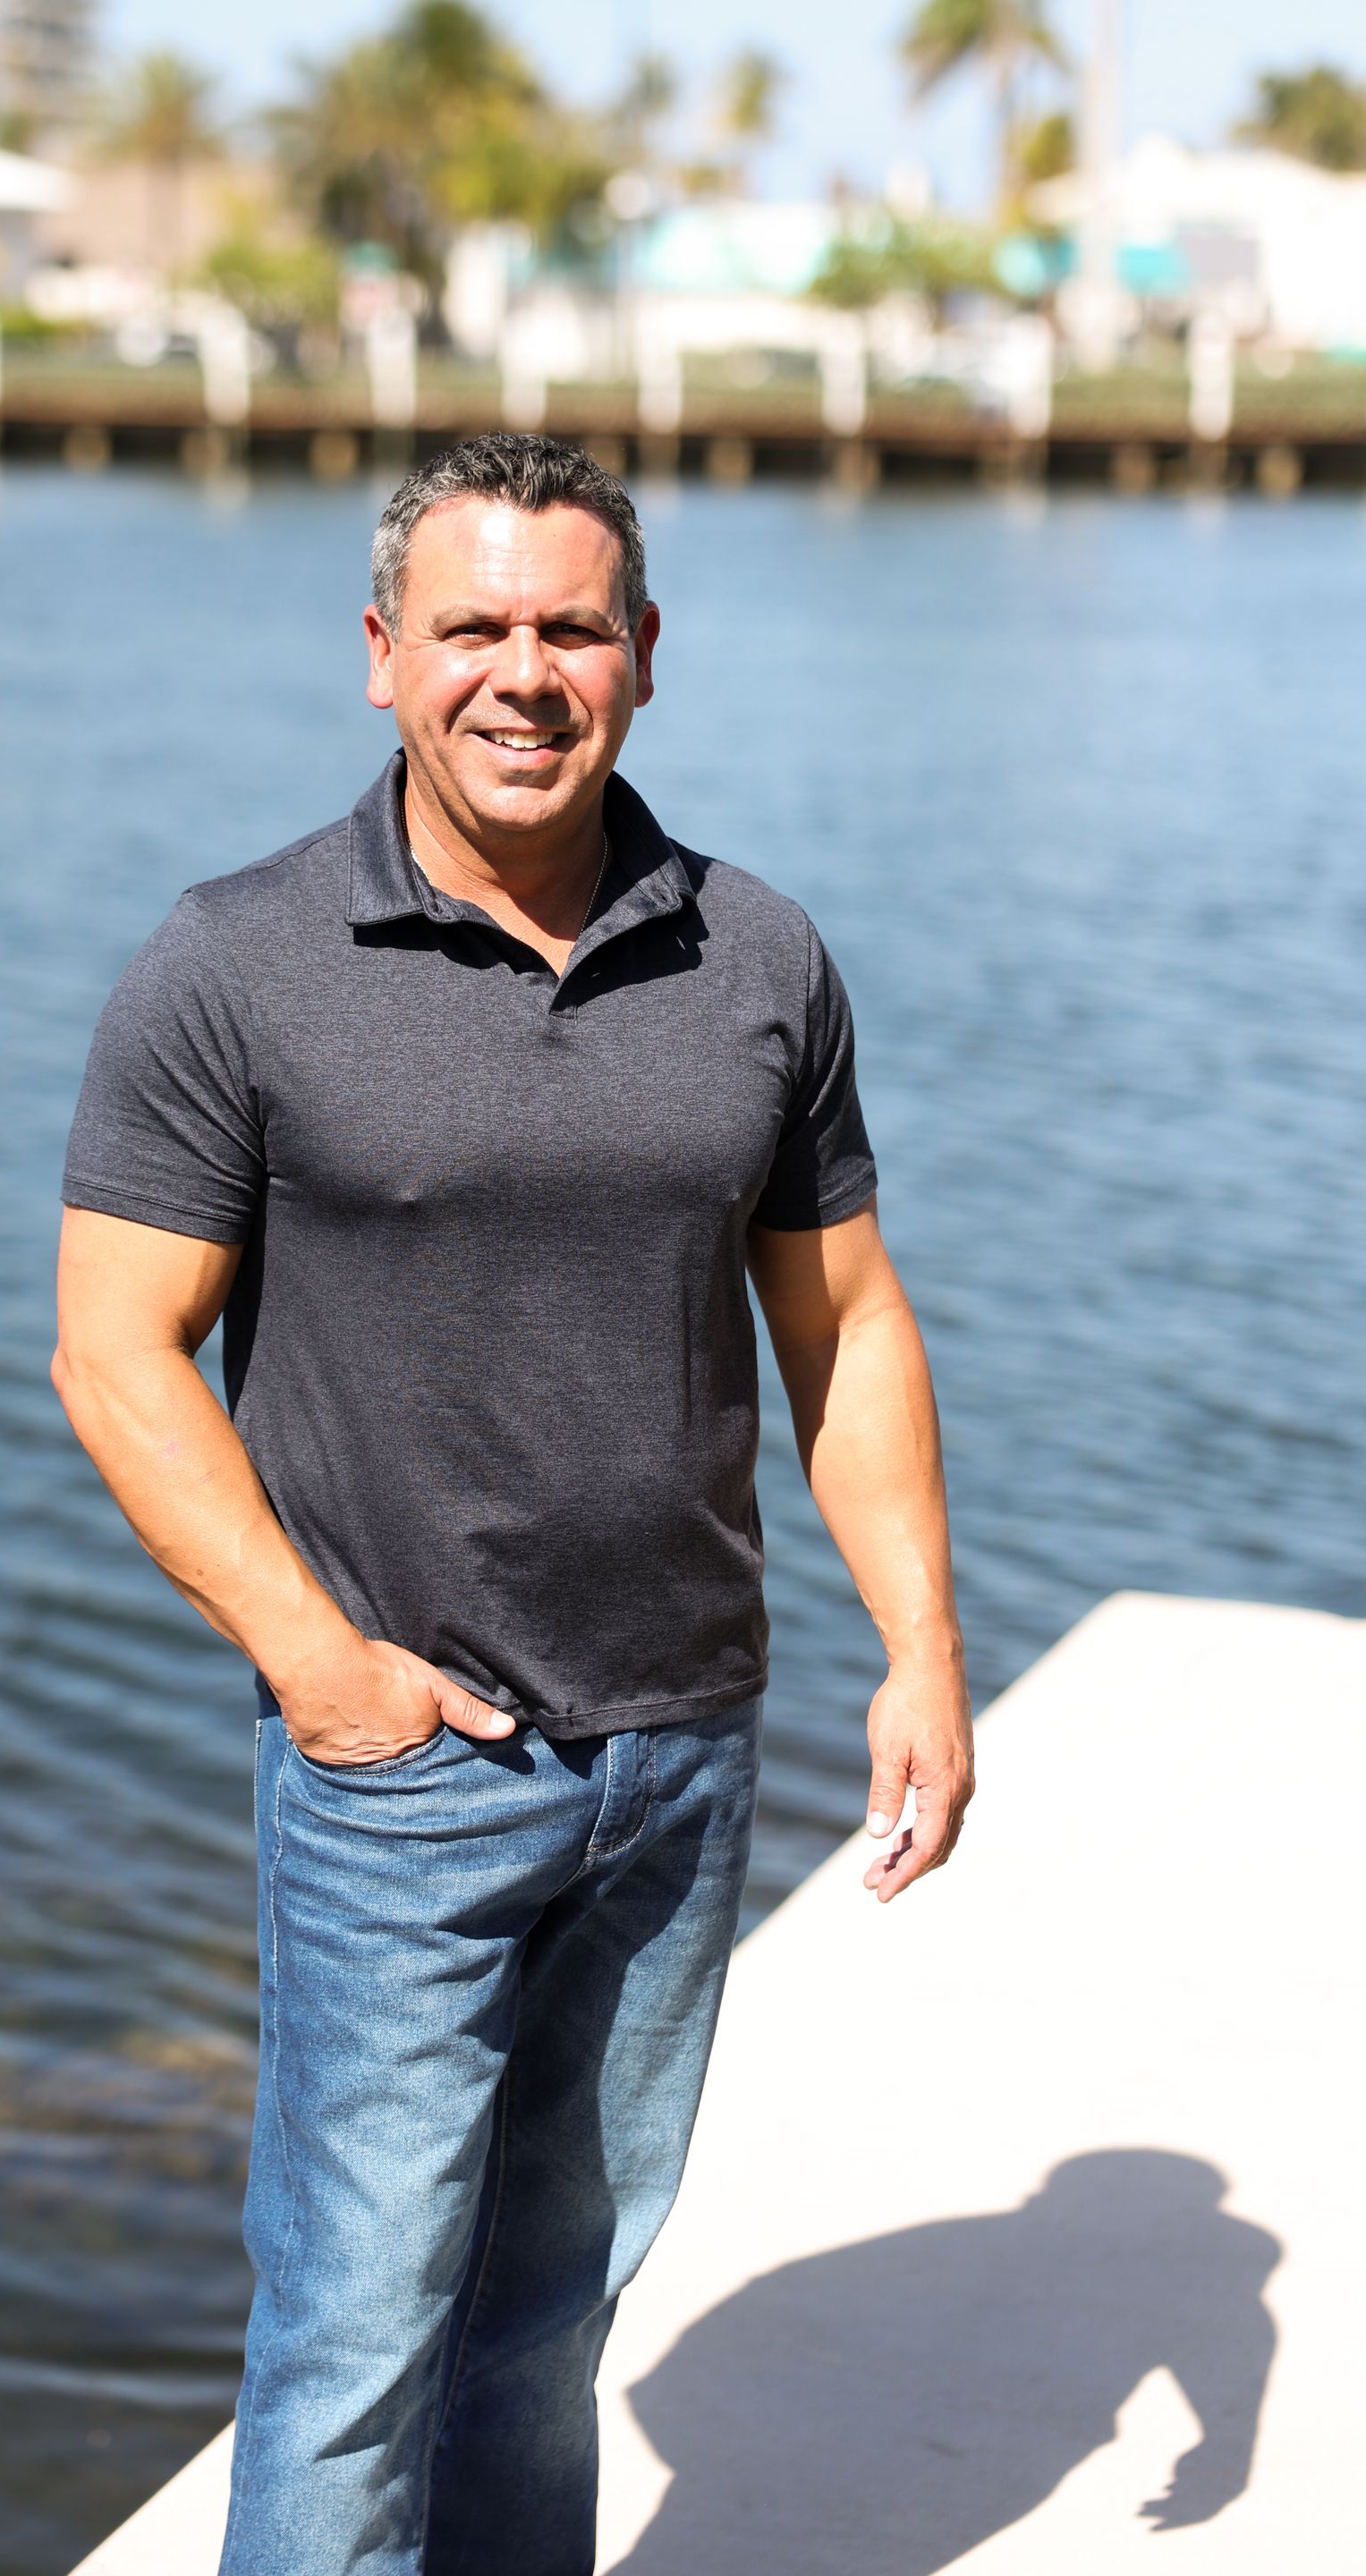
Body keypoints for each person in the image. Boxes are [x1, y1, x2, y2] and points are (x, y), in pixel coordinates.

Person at [52, 431, 973, 2576]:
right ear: (381, 656)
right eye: (473, 627)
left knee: (552, 2319)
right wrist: (324, 1672)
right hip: (405, 1769)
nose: (523, 672)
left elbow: (845, 1328)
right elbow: (115, 1350)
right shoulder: (237, 965)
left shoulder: (756, 956)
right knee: (357, 2339)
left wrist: (921, 1648)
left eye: (573, 626)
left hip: (679, 1753)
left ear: (649, 657)